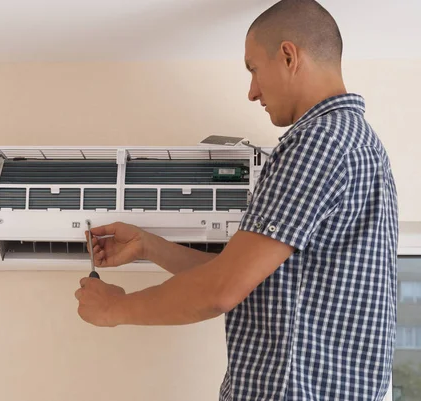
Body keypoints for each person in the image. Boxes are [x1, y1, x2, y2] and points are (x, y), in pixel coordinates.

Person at [74, 0, 399, 399]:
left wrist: (114, 309)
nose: (252, 91)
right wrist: (148, 246)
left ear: (288, 56)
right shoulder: (357, 144)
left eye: (253, 69)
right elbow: (244, 277)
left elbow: (222, 290)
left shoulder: (320, 142)